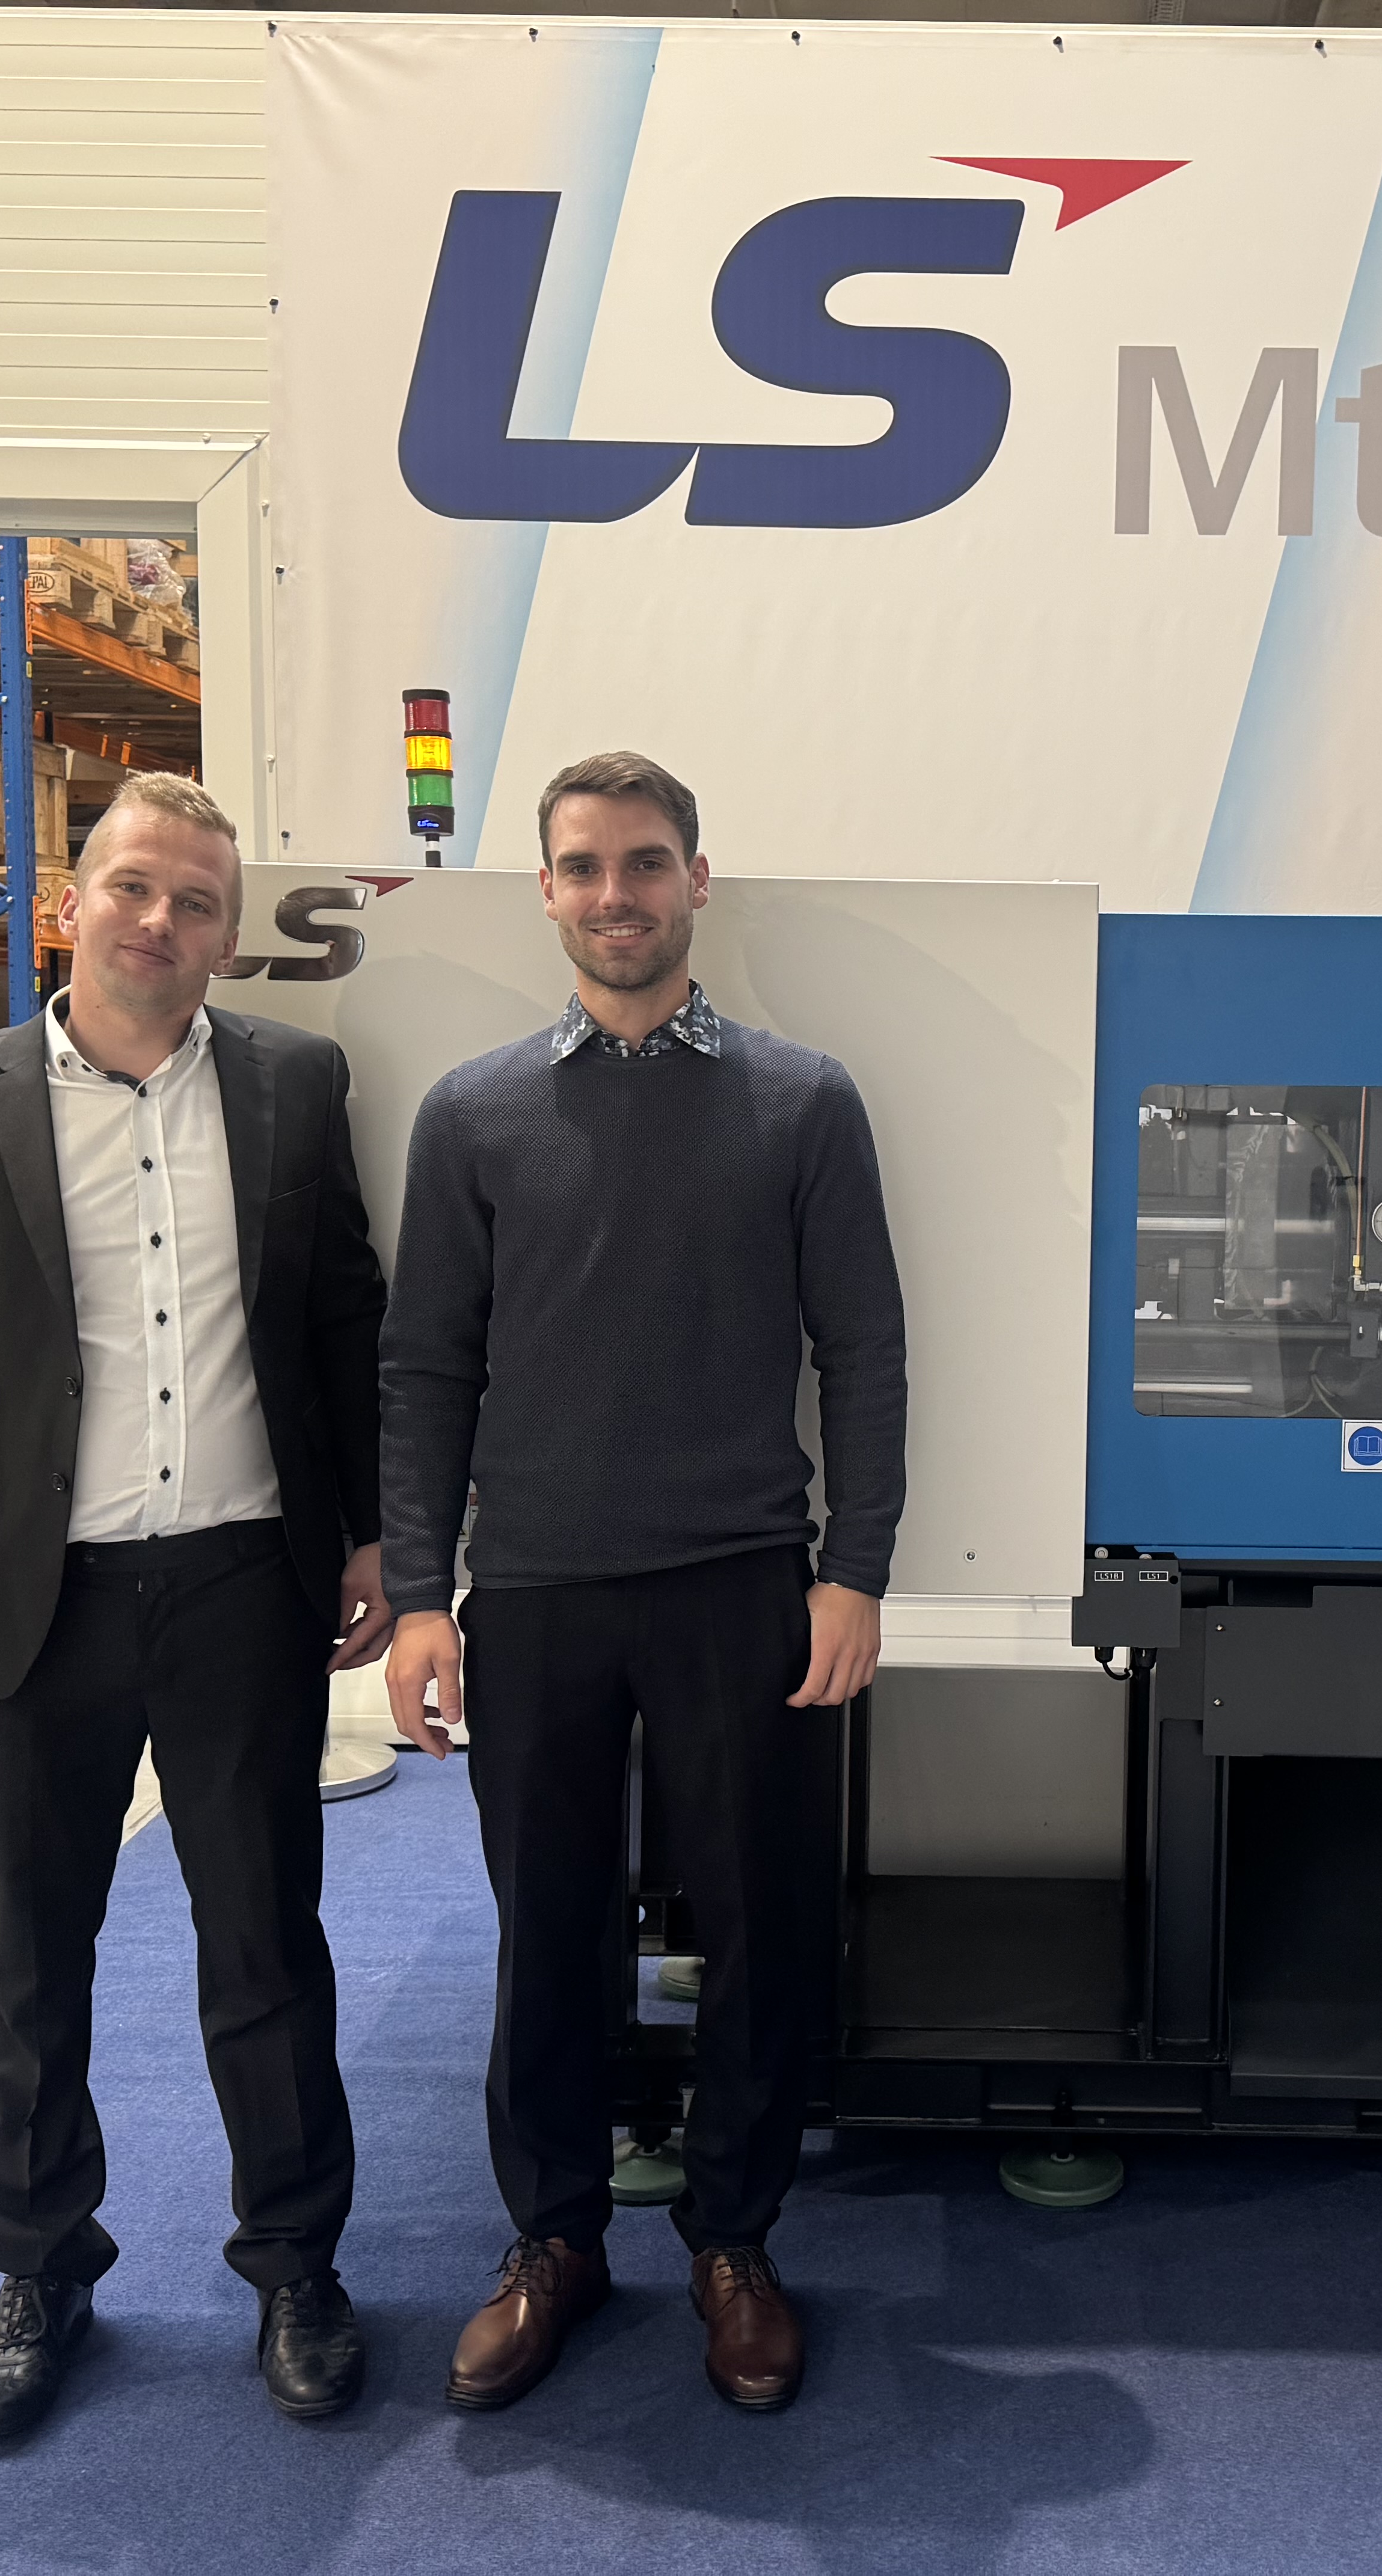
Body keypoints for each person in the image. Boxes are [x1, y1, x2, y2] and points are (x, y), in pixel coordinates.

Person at [0, 771, 392, 2441]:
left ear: (229, 933)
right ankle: (40, 2265)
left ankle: (296, 2263)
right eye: (136, 887)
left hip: (243, 1591)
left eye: (197, 900)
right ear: (70, 903)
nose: (162, 921)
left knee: (267, 1946)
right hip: (32, 1608)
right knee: (31, 1956)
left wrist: (376, 1537)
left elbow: (345, 1327)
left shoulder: (297, 1083)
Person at [379, 750, 907, 2415]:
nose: (618, 894)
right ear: (546, 890)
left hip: (743, 1586)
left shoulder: (801, 1100)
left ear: (697, 879)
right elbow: (426, 1369)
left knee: (754, 1930)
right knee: (548, 1929)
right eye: (586, 866)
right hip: (534, 1592)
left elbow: (865, 1352)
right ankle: (553, 2237)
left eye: (647, 862)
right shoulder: (472, 1113)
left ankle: (735, 2243)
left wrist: (856, 1570)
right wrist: (421, 1593)